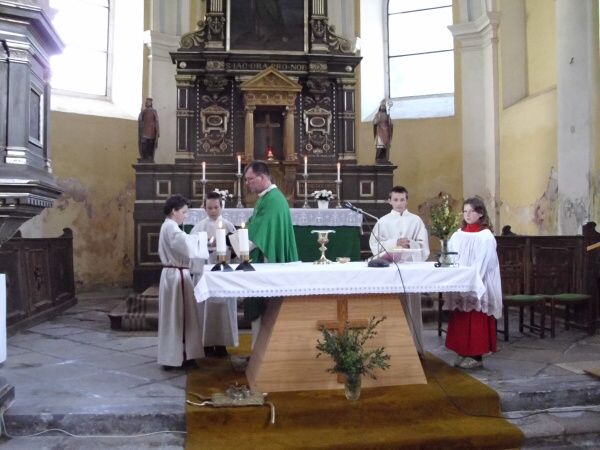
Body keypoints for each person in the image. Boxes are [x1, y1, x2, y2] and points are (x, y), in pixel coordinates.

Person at [237, 161, 298, 344]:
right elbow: (253, 225)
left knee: (266, 309)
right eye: (246, 180)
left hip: (268, 261)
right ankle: (258, 350)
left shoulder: (273, 200)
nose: (247, 183)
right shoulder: (266, 198)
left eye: (250, 179)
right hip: (264, 259)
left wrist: (234, 245)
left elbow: (259, 234)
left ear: (262, 177)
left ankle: (261, 351)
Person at [369, 186, 430, 354]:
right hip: (390, 269)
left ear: (407, 200)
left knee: (412, 306)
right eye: (395, 200)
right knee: (392, 306)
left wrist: (410, 243)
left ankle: (415, 347)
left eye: (402, 200)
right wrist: (395, 242)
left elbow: (423, 245)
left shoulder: (416, 221)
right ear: (389, 201)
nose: (399, 203)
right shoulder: (383, 221)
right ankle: (392, 347)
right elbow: (375, 245)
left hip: (410, 267)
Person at [443, 197, 502, 369]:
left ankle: (476, 356)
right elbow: (451, 257)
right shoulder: (457, 235)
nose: (467, 215)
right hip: (460, 283)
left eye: (471, 211)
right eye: (465, 211)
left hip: (478, 283)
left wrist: (471, 282)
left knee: (476, 319)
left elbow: (484, 262)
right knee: (461, 318)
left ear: (480, 213)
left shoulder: (486, 236)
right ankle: (462, 352)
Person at [157, 194, 208, 369]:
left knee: (174, 316)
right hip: (176, 275)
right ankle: (180, 357)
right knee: (180, 317)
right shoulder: (171, 227)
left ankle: (174, 356)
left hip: (173, 274)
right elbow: (186, 246)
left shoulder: (168, 226)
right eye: (184, 212)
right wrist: (203, 239)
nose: (185, 216)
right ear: (174, 211)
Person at [190, 192, 238, 357]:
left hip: (223, 275)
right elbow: (192, 252)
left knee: (224, 309)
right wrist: (206, 247)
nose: (213, 211)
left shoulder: (229, 226)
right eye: (209, 208)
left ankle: (223, 343)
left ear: (221, 207)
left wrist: (227, 247)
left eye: (216, 207)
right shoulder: (198, 228)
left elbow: (238, 252)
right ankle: (206, 343)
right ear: (204, 208)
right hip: (205, 274)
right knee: (205, 310)